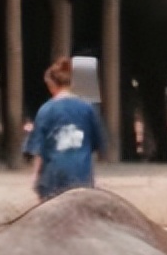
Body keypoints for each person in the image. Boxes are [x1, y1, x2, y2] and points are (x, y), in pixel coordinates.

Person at [23, 57, 107, 201]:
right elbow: (96, 144)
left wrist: (35, 178)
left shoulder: (46, 110)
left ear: (51, 84)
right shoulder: (87, 108)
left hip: (53, 177)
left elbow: (39, 151)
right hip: (82, 175)